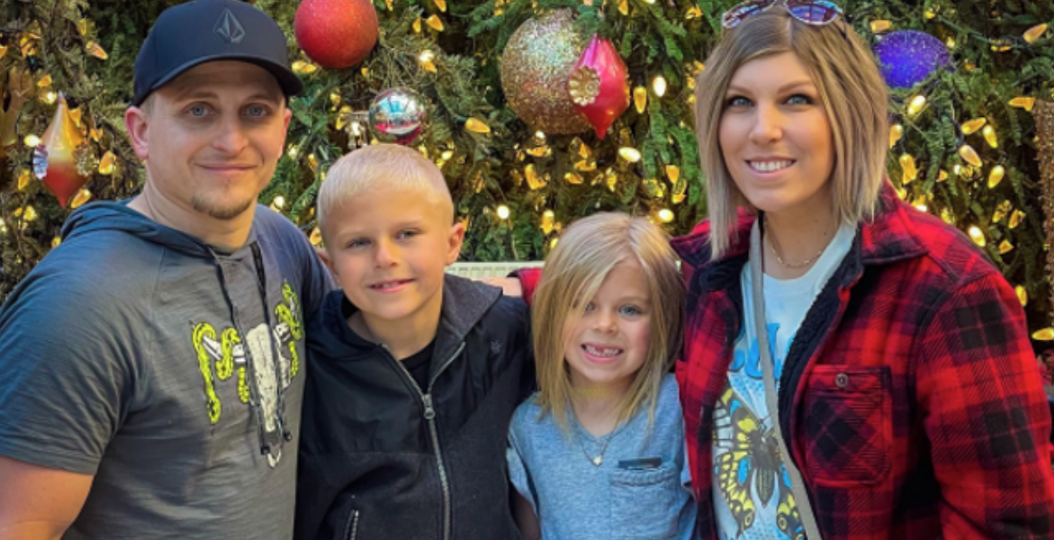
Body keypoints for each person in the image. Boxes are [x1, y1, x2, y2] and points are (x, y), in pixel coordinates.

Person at [670, 1, 1054, 539]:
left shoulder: (944, 291)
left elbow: (1008, 524)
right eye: (739, 102)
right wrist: (520, 287)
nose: (763, 130)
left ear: (849, 112)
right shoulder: (707, 269)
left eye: (797, 99)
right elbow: (603, 291)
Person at [0, 1, 331, 538]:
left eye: (254, 111)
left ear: (282, 129)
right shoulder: (75, 308)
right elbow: (20, 529)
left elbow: (370, 330)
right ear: (140, 132)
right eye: (198, 110)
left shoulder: (279, 241)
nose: (232, 141)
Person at [295, 143, 534, 540]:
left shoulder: (503, 332)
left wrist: (527, 283)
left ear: (452, 242)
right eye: (358, 243)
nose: (384, 257)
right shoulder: (312, 364)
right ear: (331, 264)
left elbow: (593, 308)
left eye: (406, 234)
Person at [505, 213, 696, 540]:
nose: (605, 325)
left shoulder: (677, 408)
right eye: (584, 305)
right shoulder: (529, 426)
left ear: (662, 320)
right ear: (553, 314)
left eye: (630, 309)